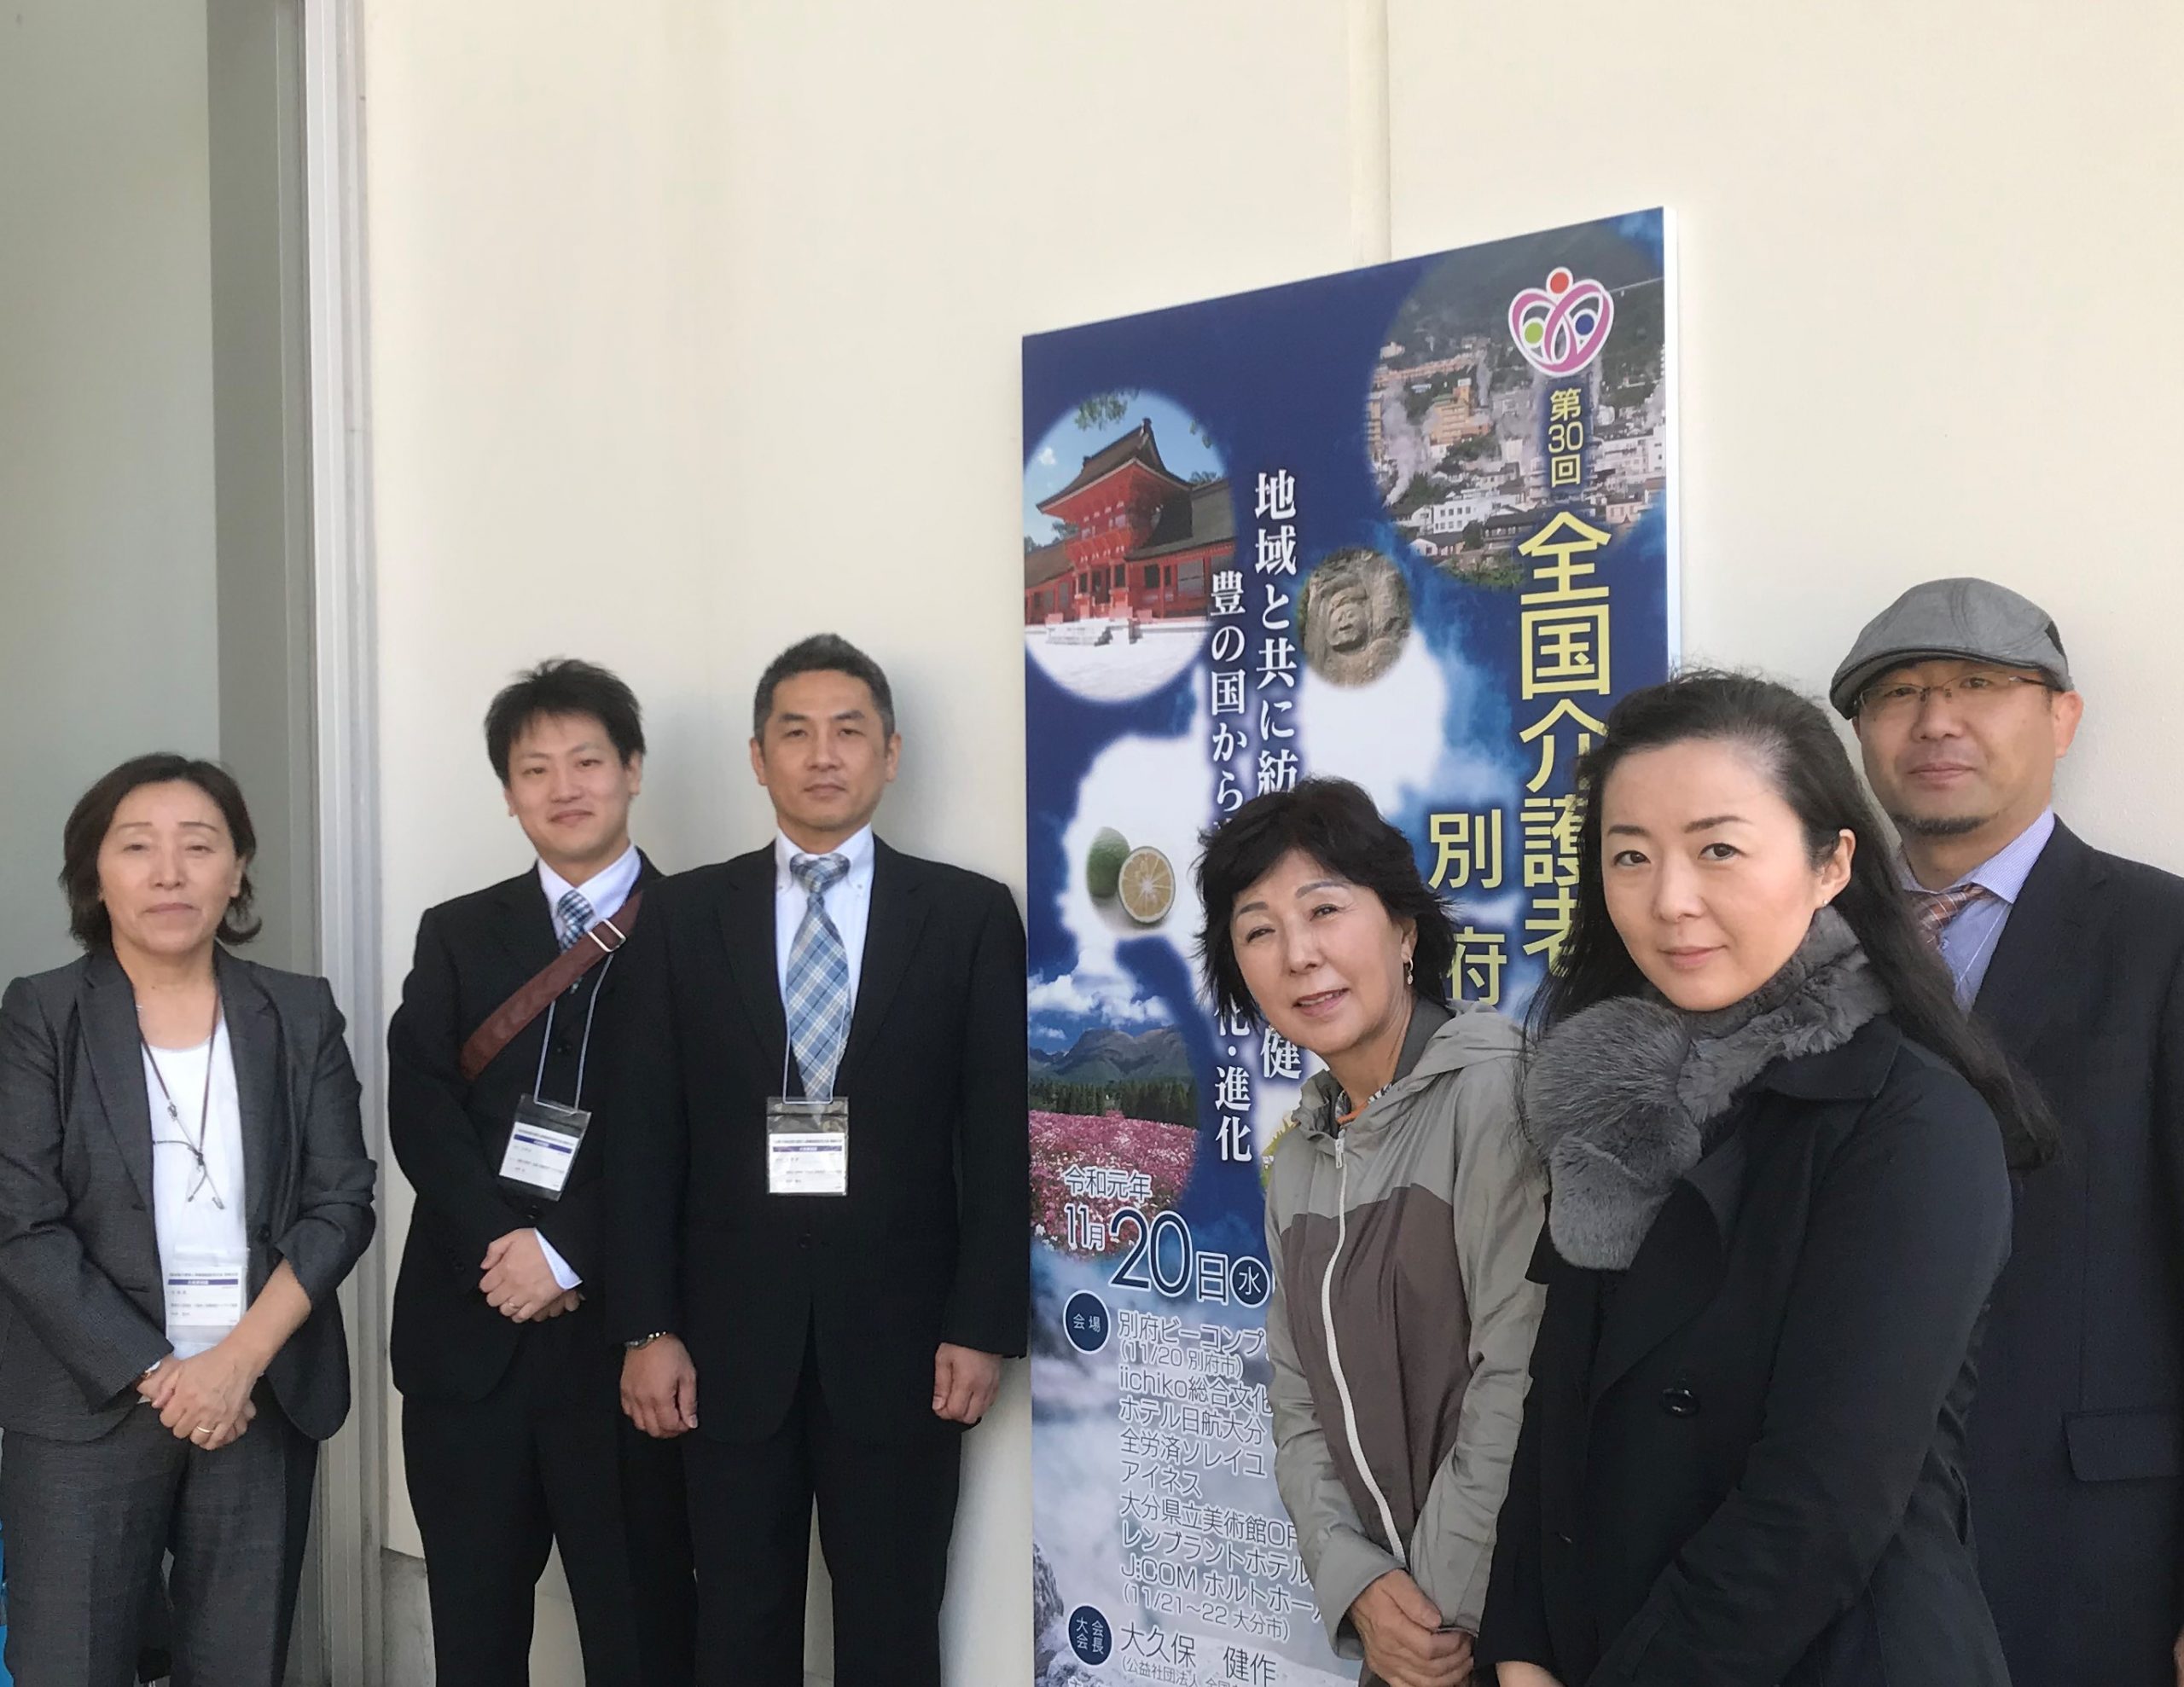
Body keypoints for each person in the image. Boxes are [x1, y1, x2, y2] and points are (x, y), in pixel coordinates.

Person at [1479, 671, 2053, 1687]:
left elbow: (1820, 1503)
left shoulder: (1912, 1124)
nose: (1669, 900)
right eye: (1629, 855)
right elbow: (1557, 1404)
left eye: (1718, 849)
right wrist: (1518, 1645)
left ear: (1831, 863)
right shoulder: (1612, 1095)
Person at [607, 633, 1027, 1687]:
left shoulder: (968, 916)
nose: (823, 754)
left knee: (892, 1624)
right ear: (759, 758)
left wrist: (981, 1323)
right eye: (795, 732)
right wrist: (647, 1326)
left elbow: (995, 1136)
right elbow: (646, 1135)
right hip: (723, 1345)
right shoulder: (684, 916)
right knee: (737, 1624)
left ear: (891, 752)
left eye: (849, 731)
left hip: (905, 1344)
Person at [1833, 577, 2184, 1687]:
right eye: (1898, 694)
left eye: (1979, 684)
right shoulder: (1800, 947)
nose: (1936, 720)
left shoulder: (2163, 938)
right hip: (1832, 1551)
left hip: (2090, 1550)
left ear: (2062, 717)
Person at [0, 754, 376, 1686]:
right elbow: (22, 1220)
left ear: (237, 869)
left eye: (199, 846)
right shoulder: (42, 1012)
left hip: (259, 1391)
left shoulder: (297, 1010)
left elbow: (340, 1199)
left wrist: (236, 1361)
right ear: (95, 874)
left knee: (239, 1661)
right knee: (69, 1662)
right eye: (138, 847)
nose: (169, 872)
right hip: (90, 1397)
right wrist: (162, 1373)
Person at [1196, 778, 1546, 1687]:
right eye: (1258, 931)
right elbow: (1298, 1407)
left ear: (1403, 928)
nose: (1299, 955)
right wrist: (1356, 1587)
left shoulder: (1495, 1098)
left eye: (1324, 910)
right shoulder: (1303, 1157)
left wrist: (1431, 1613)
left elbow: (1519, 1379)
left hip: (1510, 1630)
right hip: (1397, 1639)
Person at [386, 658, 694, 1685]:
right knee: (473, 1636)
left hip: (628, 1341)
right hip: (467, 1335)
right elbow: (421, 1104)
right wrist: (502, 1244)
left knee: (641, 1634)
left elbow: (703, 1133)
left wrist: (564, 1251)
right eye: (535, 768)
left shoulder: (702, 928)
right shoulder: (458, 930)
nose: (565, 787)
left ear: (632, 769)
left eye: (587, 761)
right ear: (509, 792)